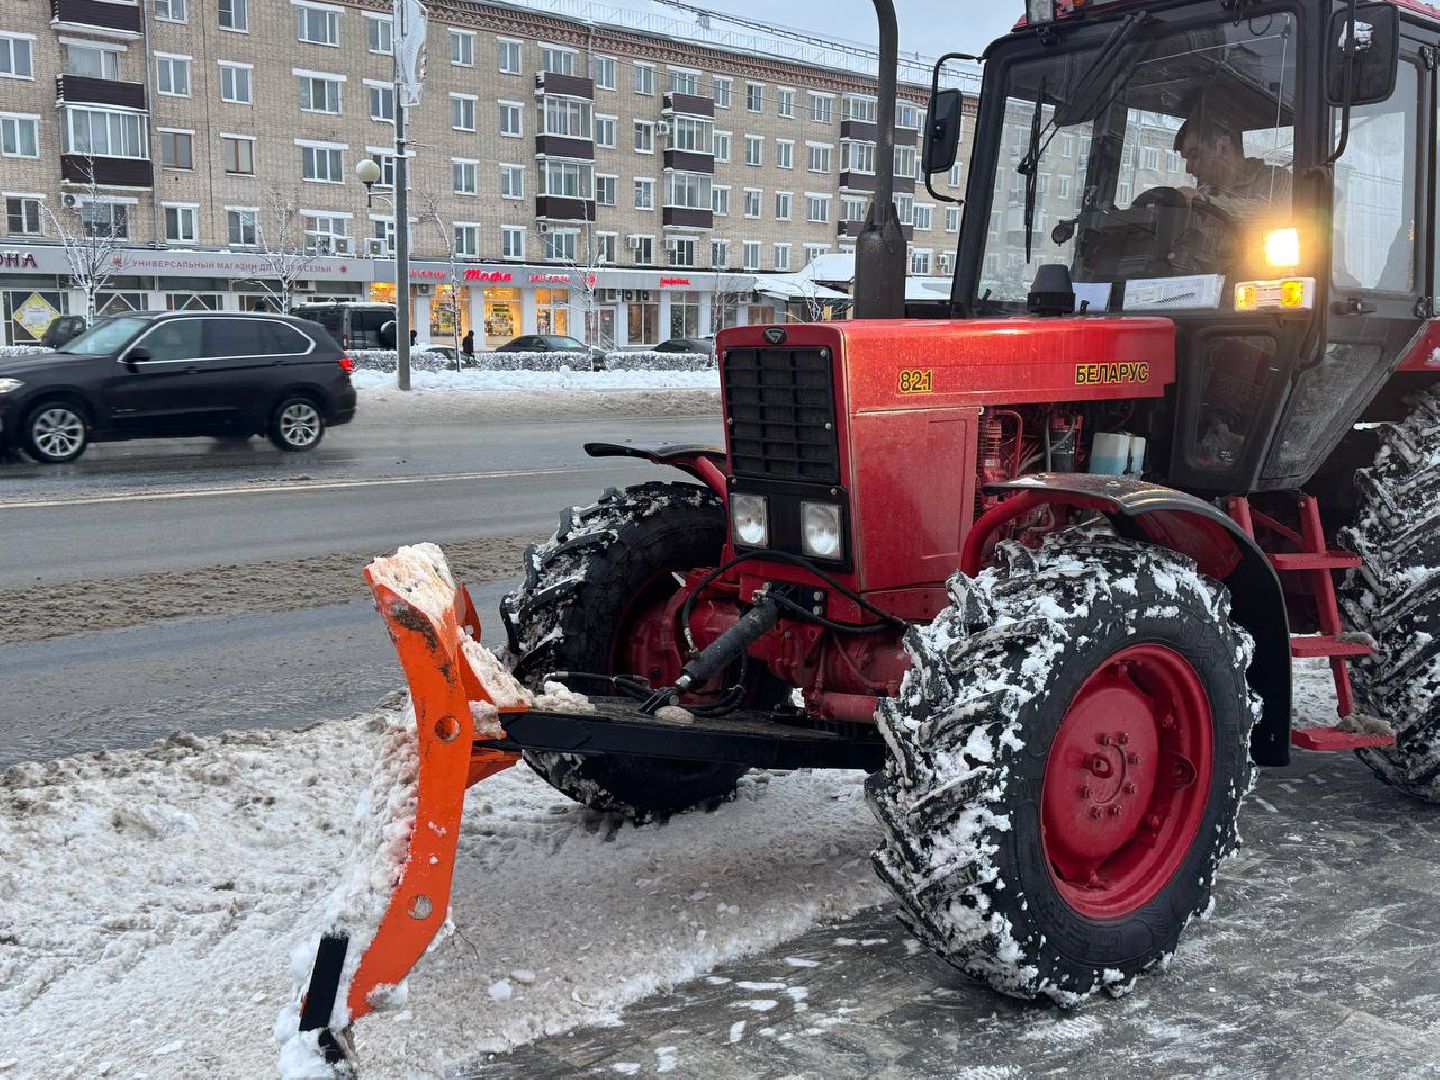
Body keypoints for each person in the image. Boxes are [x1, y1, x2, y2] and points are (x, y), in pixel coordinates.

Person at [1173, 115, 1292, 226]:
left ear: (1223, 147)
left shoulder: (1276, 179)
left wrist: (1203, 203)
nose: (1188, 169)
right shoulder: (1206, 191)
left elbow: (1272, 213)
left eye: (1194, 156)